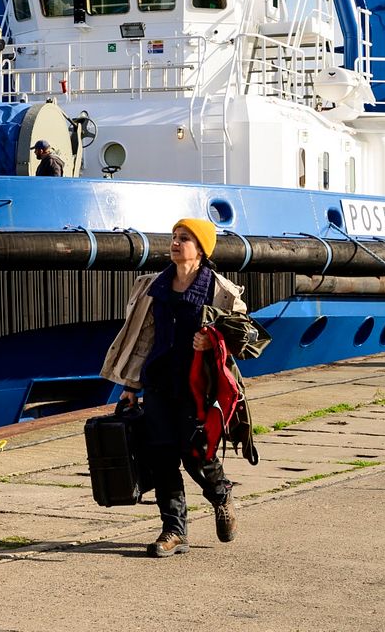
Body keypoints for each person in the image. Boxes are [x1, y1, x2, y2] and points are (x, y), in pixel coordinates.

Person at [99, 219, 247, 558]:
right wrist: (130, 386)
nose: (176, 243)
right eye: (175, 238)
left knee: (197, 454)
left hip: (199, 388)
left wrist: (213, 342)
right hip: (159, 383)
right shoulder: (153, 286)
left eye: (185, 239)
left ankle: (221, 496)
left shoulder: (219, 291)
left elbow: (246, 340)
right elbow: (142, 340)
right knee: (162, 456)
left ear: (202, 249)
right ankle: (174, 530)